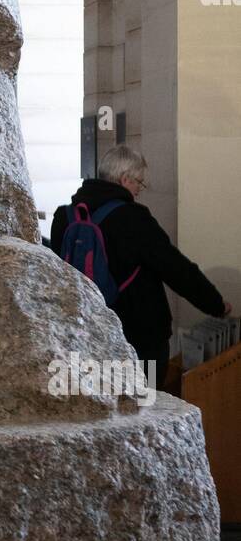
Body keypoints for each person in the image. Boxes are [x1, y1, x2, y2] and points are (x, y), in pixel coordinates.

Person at [51, 144, 231, 389]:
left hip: (85, 331)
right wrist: (215, 303)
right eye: (139, 183)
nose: (138, 191)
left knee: (93, 403)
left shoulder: (65, 216)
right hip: (138, 337)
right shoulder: (133, 218)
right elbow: (175, 268)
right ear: (125, 179)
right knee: (144, 408)